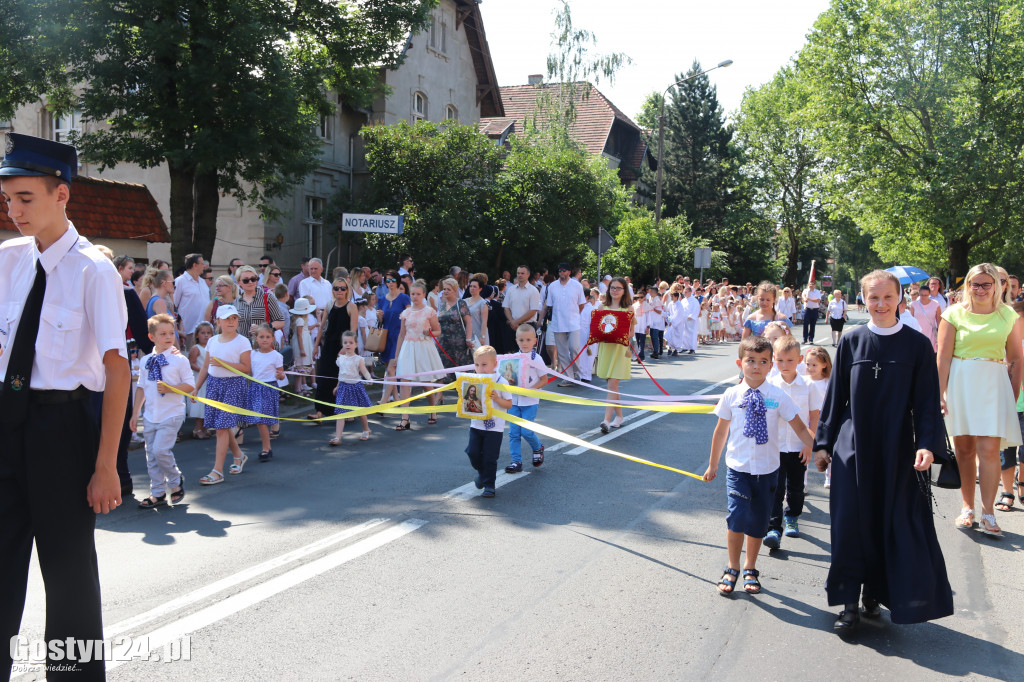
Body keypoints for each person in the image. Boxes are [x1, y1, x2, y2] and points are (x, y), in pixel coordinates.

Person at [0, 133, 130, 680]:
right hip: (8, 424)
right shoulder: (6, 260)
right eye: (8, 199)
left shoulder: (92, 270)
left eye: (26, 198)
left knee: (69, 576)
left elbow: (116, 370)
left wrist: (105, 466)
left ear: (62, 196)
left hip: (64, 431)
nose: (14, 210)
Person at [813, 269, 952, 631]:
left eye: (887, 297)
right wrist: (824, 444)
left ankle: (874, 592)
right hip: (853, 446)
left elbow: (926, 403)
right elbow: (835, 398)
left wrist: (927, 446)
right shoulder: (852, 341)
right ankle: (847, 602)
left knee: (890, 521)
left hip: (897, 448)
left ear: (899, 299)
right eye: (873, 297)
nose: (880, 304)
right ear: (863, 299)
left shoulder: (917, 345)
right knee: (849, 523)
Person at [703, 336, 815, 596]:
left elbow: (799, 426)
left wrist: (820, 449)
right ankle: (732, 567)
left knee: (758, 522)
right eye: (750, 361)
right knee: (737, 517)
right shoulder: (731, 395)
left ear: (770, 366)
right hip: (738, 470)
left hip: (767, 471)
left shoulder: (778, 396)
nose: (756, 366)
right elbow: (720, 433)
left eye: (763, 361)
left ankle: (750, 567)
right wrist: (713, 465)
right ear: (739, 363)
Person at [937, 263, 1023, 537]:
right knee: (964, 450)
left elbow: (1017, 357)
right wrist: (939, 393)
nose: (981, 289)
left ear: (997, 287)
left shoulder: (1007, 315)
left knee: (989, 450)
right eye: (976, 284)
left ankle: (988, 513)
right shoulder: (953, 314)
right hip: (961, 382)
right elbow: (943, 357)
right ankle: (967, 508)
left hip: (994, 384)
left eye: (987, 284)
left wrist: (1014, 390)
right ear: (968, 286)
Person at [763, 335, 823, 550]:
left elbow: (814, 417)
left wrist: (809, 445)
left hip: (798, 447)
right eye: (779, 360)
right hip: (775, 446)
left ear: (799, 360)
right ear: (773, 360)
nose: (784, 365)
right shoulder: (769, 383)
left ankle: (793, 516)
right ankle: (773, 528)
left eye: (789, 360)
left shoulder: (808, 386)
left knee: (796, 489)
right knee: (775, 489)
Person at [131, 313, 193, 509]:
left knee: (160, 450)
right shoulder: (145, 360)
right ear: (152, 337)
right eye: (163, 334)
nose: (168, 337)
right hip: (150, 414)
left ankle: (175, 481)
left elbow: (190, 385)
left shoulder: (179, 360)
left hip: (172, 413)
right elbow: (141, 387)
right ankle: (157, 492)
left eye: (171, 333)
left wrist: (170, 388)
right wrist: (135, 414)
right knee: (151, 455)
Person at [193, 305, 252, 485]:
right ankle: (239, 456)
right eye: (226, 319)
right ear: (218, 322)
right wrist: (196, 388)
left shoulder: (242, 342)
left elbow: (246, 368)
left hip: (233, 386)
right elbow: (206, 367)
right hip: (214, 385)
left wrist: (225, 363)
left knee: (221, 428)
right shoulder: (213, 341)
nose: (231, 322)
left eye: (234, 318)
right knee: (222, 427)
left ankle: (217, 470)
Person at [394, 281, 446, 430]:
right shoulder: (406, 313)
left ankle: (432, 409)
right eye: (412, 294)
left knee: (426, 382)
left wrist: (428, 332)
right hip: (408, 347)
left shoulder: (429, 311)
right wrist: (396, 356)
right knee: (404, 381)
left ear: (424, 295)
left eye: (418, 294)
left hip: (423, 347)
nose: (415, 297)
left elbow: (438, 331)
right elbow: (402, 335)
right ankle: (405, 418)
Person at [307, 277, 358, 422]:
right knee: (323, 377)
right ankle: (320, 411)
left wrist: (346, 348)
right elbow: (322, 327)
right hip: (329, 345)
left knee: (342, 380)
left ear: (347, 290)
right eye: (336, 288)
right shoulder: (329, 304)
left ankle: (346, 411)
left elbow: (353, 331)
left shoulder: (351, 307)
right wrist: (316, 346)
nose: (339, 291)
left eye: (342, 288)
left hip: (344, 347)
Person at [465, 346, 513, 498]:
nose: (480, 368)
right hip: (476, 425)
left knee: (490, 457)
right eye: (477, 365)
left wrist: (497, 399)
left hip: (494, 428)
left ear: (495, 364)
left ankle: (489, 485)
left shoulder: (501, 381)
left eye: (484, 364)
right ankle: (481, 474)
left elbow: (509, 404)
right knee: (472, 452)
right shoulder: (474, 380)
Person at [504, 324, 548, 473]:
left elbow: (544, 379)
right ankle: (516, 461)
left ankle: (537, 448)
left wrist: (530, 390)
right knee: (514, 432)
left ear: (535, 341)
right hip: (514, 402)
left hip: (530, 402)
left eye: (528, 339)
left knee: (527, 432)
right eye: (521, 340)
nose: (525, 343)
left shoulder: (538, 359)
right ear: (516, 341)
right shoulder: (513, 358)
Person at [596, 277, 635, 433]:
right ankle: (619, 416)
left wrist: (621, 335)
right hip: (606, 348)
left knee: (612, 384)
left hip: (620, 349)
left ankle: (606, 420)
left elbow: (631, 331)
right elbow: (597, 327)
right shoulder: (601, 307)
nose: (615, 291)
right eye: (612, 288)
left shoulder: (629, 309)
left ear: (624, 290)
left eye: (618, 288)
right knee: (612, 385)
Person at [997, 300, 1024, 512]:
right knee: (1006, 450)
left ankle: (1022, 485)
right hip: (1007, 403)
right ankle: (1008, 493)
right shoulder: (1000, 341)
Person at [245, 324, 285, 462]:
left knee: (262, 420)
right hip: (256, 388)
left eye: (268, 337)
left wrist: (280, 375)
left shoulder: (276, 356)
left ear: (273, 339)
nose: (264, 340)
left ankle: (266, 448)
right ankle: (267, 448)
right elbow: (250, 371)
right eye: (261, 337)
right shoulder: (252, 354)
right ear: (256, 339)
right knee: (259, 421)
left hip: (269, 388)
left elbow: (281, 375)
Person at [544, 263, 586, 387]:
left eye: (564, 270)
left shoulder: (577, 285)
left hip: (573, 323)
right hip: (558, 323)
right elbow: (549, 304)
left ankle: (577, 373)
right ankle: (569, 377)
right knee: (562, 352)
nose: (561, 272)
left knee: (574, 348)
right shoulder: (552, 286)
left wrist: (575, 315)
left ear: (569, 272)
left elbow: (582, 304)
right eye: (559, 271)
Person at [330, 330, 374, 446]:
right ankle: (338, 437)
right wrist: (337, 386)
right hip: (343, 387)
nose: (348, 345)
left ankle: (366, 429)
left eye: (350, 342)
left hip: (355, 387)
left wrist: (369, 379)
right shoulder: (341, 359)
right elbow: (341, 374)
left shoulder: (358, 359)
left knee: (360, 411)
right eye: (345, 343)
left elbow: (364, 371)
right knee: (341, 413)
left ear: (356, 344)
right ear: (342, 344)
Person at [376, 270, 412, 404]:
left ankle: (383, 400)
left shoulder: (403, 298)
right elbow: (381, 321)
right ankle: (396, 398)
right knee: (390, 369)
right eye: (387, 280)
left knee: (391, 368)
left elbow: (410, 315)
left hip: (399, 336)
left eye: (392, 280)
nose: (390, 283)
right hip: (386, 336)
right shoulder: (382, 299)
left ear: (397, 281)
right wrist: (379, 316)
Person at [234, 264, 285, 346]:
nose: (250, 282)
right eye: (246, 280)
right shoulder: (236, 302)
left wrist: (263, 328)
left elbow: (280, 322)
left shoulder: (267, 297)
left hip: (265, 347)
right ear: (239, 282)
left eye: (253, 279)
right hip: (244, 347)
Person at [437, 277, 473, 379]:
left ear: (455, 290)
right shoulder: (443, 305)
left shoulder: (461, 303)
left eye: (449, 289)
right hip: (444, 342)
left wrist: (468, 338)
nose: (445, 291)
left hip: (459, 343)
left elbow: (469, 322)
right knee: (445, 369)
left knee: (461, 369)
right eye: (444, 289)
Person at [174, 252, 209, 349]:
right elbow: (174, 304)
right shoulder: (180, 281)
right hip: (189, 330)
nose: (204, 266)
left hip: (204, 329)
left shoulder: (202, 282)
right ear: (195, 265)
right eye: (202, 263)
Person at [188, 321, 215, 439]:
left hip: (210, 380)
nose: (206, 335)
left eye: (209, 333)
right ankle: (197, 428)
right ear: (197, 335)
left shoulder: (212, 348)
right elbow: (191, 363)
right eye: (203, 333)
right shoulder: (196, 348)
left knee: (207, 406)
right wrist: (202, 370)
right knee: (200, 406)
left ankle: (204, 428)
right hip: (200, 380)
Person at [290, 297, 315, 395]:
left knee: (300, 369)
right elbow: (300, 334)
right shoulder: (300, 320)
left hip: (304, 342)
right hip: (301, 344)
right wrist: (302, 349)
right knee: (299, 367)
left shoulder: (300, 320)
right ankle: (298, 389)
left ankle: (300, 387)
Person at [910, 284, 942, 351]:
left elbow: (939, 321)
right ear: (919, 294)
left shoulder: (936, 304)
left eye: (926, 295)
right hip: (917, 334)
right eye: (921, 295)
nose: (923, 297)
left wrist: (940, 336)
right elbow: (911, 321)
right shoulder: (913, 304)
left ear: (929, 294)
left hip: (931, 335)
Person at [465, 277, 490, 348]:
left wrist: (482, 336)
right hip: (467, 334)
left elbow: (484, 321)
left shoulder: (483, 303)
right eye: (471, 286)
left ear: (480, 289)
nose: (472, 288)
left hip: (478, 334)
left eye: (474, 286)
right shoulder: (464, 301)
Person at [801, 279, 823, 344]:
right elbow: (803, 296)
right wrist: (805, 298)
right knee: (805, 324)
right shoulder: (806, 291)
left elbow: (818, 300)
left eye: (812, 284)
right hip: (807, 309)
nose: (811, 285)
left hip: (815, 310)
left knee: (812, 325)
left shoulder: (817, 292)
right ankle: (805, 338)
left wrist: (809, 299)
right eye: (810, 284)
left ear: (815, 285)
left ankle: (811, 339)